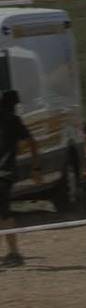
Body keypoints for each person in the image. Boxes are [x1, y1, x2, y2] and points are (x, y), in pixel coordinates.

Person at [0, 90, 39, 268]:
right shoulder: (14, 121)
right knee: (4, 214)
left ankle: (14, 253)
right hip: (6, 174)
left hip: (3, 174)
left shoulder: (11, 121)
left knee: (4, 214)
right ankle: (14, 253)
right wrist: (36, 168)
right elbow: (32, 142)